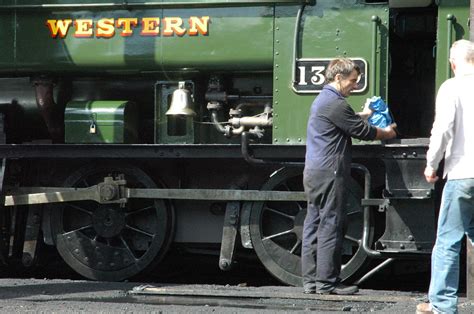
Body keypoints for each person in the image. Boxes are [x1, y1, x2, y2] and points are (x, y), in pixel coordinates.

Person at [302, 58, 397, 295]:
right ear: (338, 78)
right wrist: (387, 132)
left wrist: (363, 114)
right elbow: (361, 131)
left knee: (314, 223)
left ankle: (311, 282)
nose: (355, 85)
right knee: (332, 225)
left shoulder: (325, 100)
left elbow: (348, 120)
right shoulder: (335, 103)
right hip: (330, 172)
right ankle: (327, 283)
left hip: (315, 170)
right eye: (353, 81)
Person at [417, 39, 474, 314]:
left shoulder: (451, 87)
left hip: (463, 173)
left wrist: (431, 164)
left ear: (453, 63)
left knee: (448, 242)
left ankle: (441, 305)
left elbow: (442, 129)